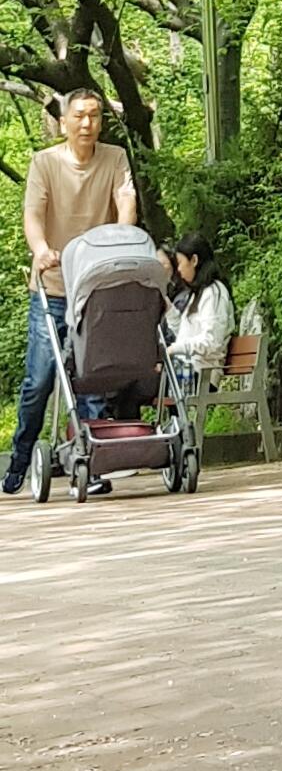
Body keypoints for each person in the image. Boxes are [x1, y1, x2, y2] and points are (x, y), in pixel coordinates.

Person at [3, 87, 137, 494]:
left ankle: (91, 465)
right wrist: (41, 249)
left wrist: (124, 240)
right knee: (40, 379)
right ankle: (21, 457)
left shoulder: (115, 158)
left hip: (95, 288)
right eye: (79, 116)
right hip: (53, 286)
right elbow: (33, 214)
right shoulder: (45, 163)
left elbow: (126, 203)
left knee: (92, 377)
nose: (87, 123)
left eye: (94, 115)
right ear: (63, 122)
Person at [163, 233, 236, 391]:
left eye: (180, 263)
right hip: (187, 368)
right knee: (143, 378)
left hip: (202, 374)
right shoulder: (197, 294)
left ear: (194, 260)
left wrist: (175, 348)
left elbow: (212, 342)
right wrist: (168, 309)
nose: (179, 269)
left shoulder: (214, 292)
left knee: (151, 381)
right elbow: (184, 335)